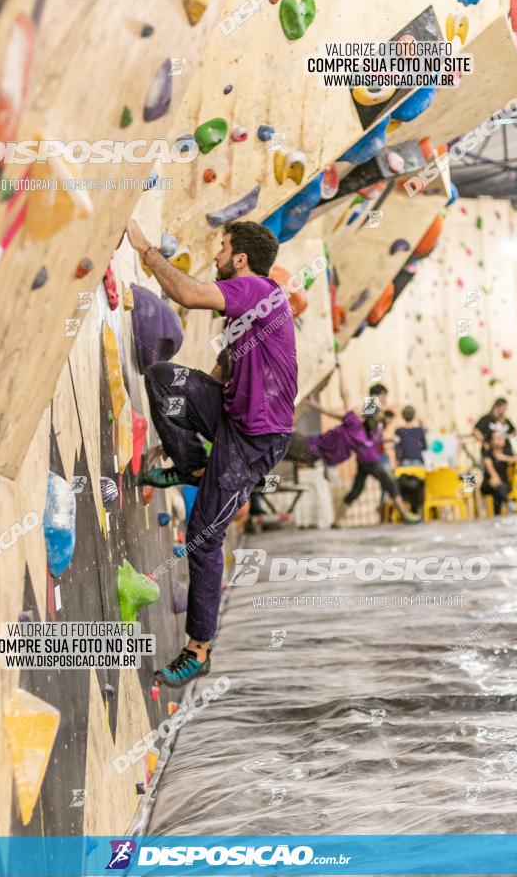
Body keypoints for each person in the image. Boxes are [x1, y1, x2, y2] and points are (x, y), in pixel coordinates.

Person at [126, 218, 297, 688]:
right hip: (231, 419)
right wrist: (183, 421)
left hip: (254, 441)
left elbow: (186, 292)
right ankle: (194, 466)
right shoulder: (248, 311)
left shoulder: (256, 288)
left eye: (222, 248)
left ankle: (198, 649)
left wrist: (146, 250)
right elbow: (222, 369)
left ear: (240, 258)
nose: (217, 255)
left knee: (203, 539)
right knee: (164, 379)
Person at [331, 408, 421, 528]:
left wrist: (390, 439)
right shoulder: (359, 427)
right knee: (391, 485)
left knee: (355, 492)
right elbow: (369, 405)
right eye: (376, 418)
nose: (379, 421)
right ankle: (405, 516)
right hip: (371, 462)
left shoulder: (375, 428)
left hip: (364, 463)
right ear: (370, 418)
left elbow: (378, 439)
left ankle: (336, 522)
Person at [285, 361, 369, 467]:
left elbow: (345, 397)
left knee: (274, 438)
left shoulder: (355, 425)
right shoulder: (356, 445)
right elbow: (332, 413)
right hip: (310, 457)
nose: (358, 410)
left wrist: (341, 371)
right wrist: (314, 404)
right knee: (272, 453)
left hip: (307, 445)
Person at [394, 405, 427, 515]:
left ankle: (406, 510)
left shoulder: (399, 431)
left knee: (404, 485)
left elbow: (398, 448)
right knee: (420, 485)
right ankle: (419, 509)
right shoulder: (420, 430)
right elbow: (424, 447)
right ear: (414, 416)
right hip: (418, 462)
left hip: (404, 463)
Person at [480, 431, 517, 515]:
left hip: (503, 484)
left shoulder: (507, 451)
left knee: (497, 489)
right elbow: (488, 464)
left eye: (502, 437)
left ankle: (497, 515)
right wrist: (494, 476)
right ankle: (508, 501)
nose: (501, 439)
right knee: (494, 484)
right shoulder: (488, 452)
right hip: (488, 482)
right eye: (497, 438)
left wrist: (504, 457)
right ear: (492, 441)